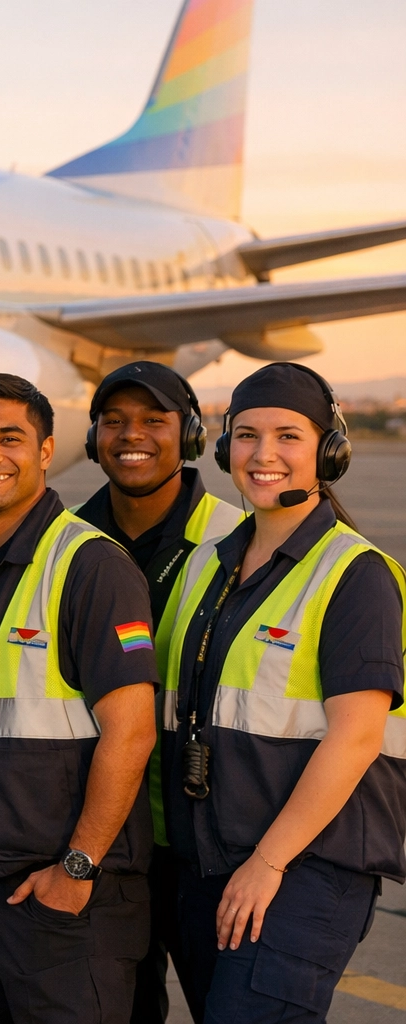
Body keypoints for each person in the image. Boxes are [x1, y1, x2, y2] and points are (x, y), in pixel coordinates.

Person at [159, 362, 406, 1023]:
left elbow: (357, 737)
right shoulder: (207, 567)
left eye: (287, 436)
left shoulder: (356, 575)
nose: (263, 455)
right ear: (222, 447)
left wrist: (268, 863)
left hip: (303, 868)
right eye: (245, 435)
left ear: (328, 451)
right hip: (211, 861)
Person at [0, 373, 160, 1024]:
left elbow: (132, 731)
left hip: (65, 891)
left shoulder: (91, 564)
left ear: (45, 451)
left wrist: (77, 867)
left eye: (10, 438)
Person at [73, 360, 243, 1023]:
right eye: (112, 422)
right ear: (92, 440)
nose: (130, 435)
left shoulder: (240, 540)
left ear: (192, 433)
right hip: (106, 841)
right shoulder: (66, 542)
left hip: (206, 846)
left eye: (153, 420)